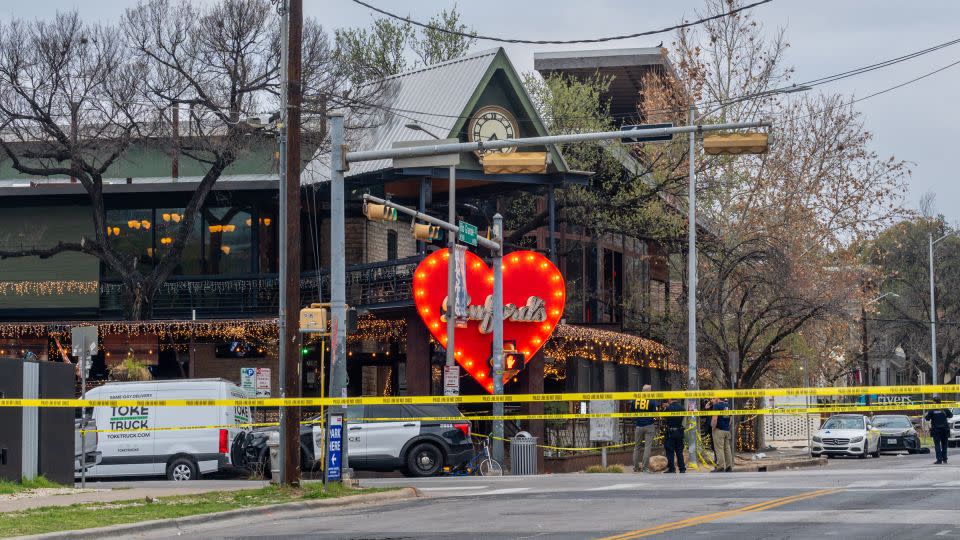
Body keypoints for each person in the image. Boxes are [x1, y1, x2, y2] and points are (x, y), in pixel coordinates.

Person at [632, 385, 659, 473]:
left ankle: (636, 467)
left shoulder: (636, 399)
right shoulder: (651, 400)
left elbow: (631, 411)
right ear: (649, 391)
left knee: (637, 447)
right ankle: (645, 468)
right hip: (649, 425)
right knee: (647, 447)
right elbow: (655, 414)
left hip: (638, 426)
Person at [925, 396, 954, 464]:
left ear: (934, 402)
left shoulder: (932, 410)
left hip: (936, 430)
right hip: (945, 429)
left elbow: (927, 418)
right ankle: (945, 459)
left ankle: (939, 460)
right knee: (944, 445)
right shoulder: (945, 408)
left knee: (937, 445)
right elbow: (951, 415)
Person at [663, 398, 686, 473]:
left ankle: (672, 468)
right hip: (679, 431)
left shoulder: (668, 408)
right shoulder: (682, 408)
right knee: (679, 451)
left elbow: (664, 417)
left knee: (670, 451)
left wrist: (665, 408)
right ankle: (682, 468)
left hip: (671, 432)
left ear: (670, 399)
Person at [710, 397, 733, 472]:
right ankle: (729, 466)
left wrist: (713, 427)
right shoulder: (728, 405)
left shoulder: (716, 406)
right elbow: (730, 419)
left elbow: (714, 419)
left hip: (718, 430)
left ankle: (720, 466)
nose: (712, 399)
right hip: (726, 430)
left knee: (719, 449)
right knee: (727, 448)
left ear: (718, 398)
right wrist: (727, 426)